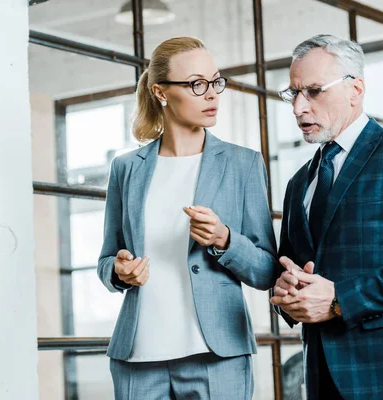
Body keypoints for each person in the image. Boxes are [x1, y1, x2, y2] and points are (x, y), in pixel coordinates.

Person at [270, 34, 383, 400]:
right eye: (293, 94)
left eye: (312, 91)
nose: (298, 108)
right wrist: (285, 294)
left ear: (355, 89)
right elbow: (293, 269)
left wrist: (340, 299)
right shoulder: (297, 184)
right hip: (321, 374)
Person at [97, 36, 277, 399]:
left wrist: (225, 239)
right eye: (197, 84)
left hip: (218, 354)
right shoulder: (126, 168)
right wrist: (118, 271)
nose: (211, 95)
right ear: (161, 92)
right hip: (138, 356)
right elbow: (106, 259)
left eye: (215, 82)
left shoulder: (243, 164)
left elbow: (267, 270)